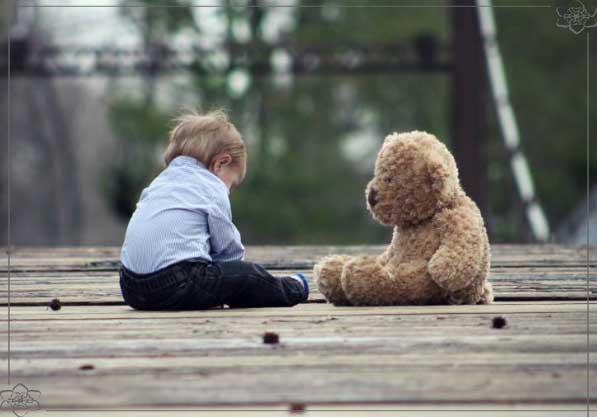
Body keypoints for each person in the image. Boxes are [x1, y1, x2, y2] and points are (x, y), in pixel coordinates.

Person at [119, 109, 308, 310]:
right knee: (249, 276)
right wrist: (233, 274)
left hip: (130, 287)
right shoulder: (211, 187)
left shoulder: (159, 183)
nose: (229, 191)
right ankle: (293, 288)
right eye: (231, 184)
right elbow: (228, 248)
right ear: (221, 163)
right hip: (176, 284)